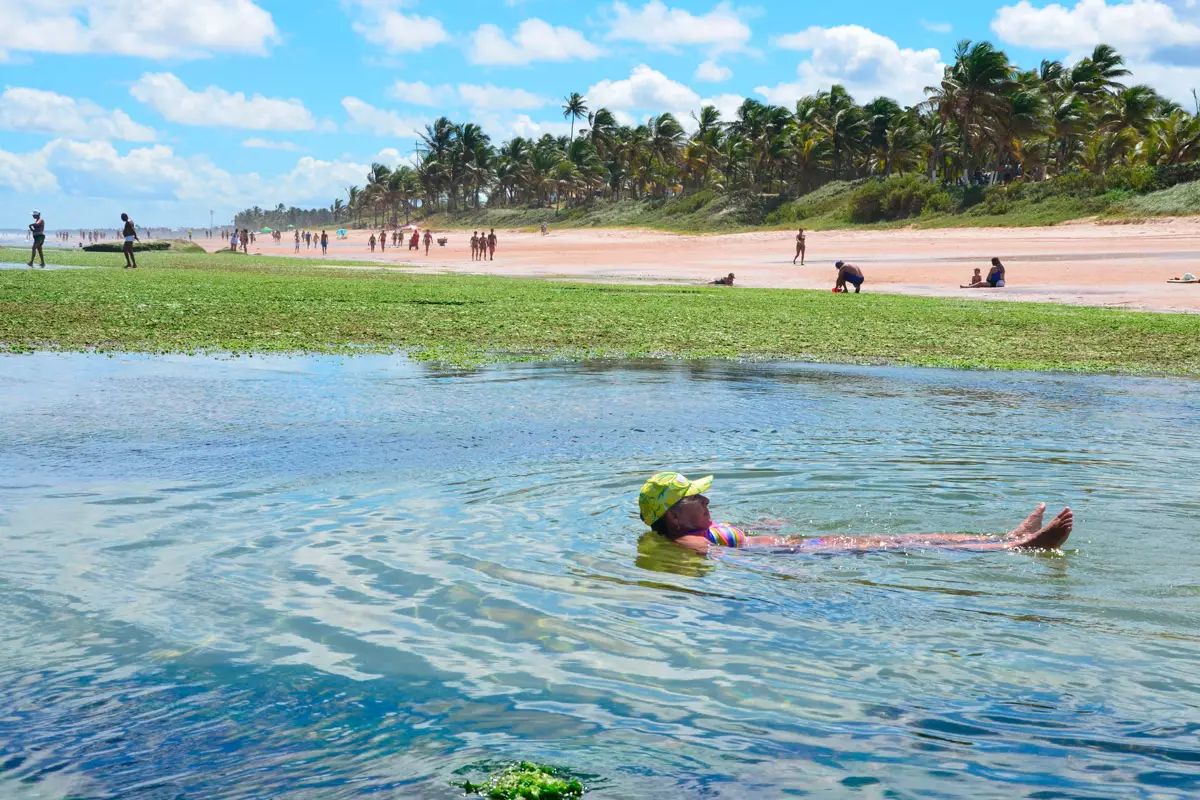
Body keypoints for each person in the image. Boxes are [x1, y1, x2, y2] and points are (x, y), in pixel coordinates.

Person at [639, 472, 1074, 557]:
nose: (708, 501)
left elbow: (737, 537)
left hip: (801, 546)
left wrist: (762, 528)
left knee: (914, 537)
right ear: (675, 517)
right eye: (698, 498)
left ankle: (1003, 537)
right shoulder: (687, 542)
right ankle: (1017, 547)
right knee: (900, 544)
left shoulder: (702, 526)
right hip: (806, 554)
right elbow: (730, 557)